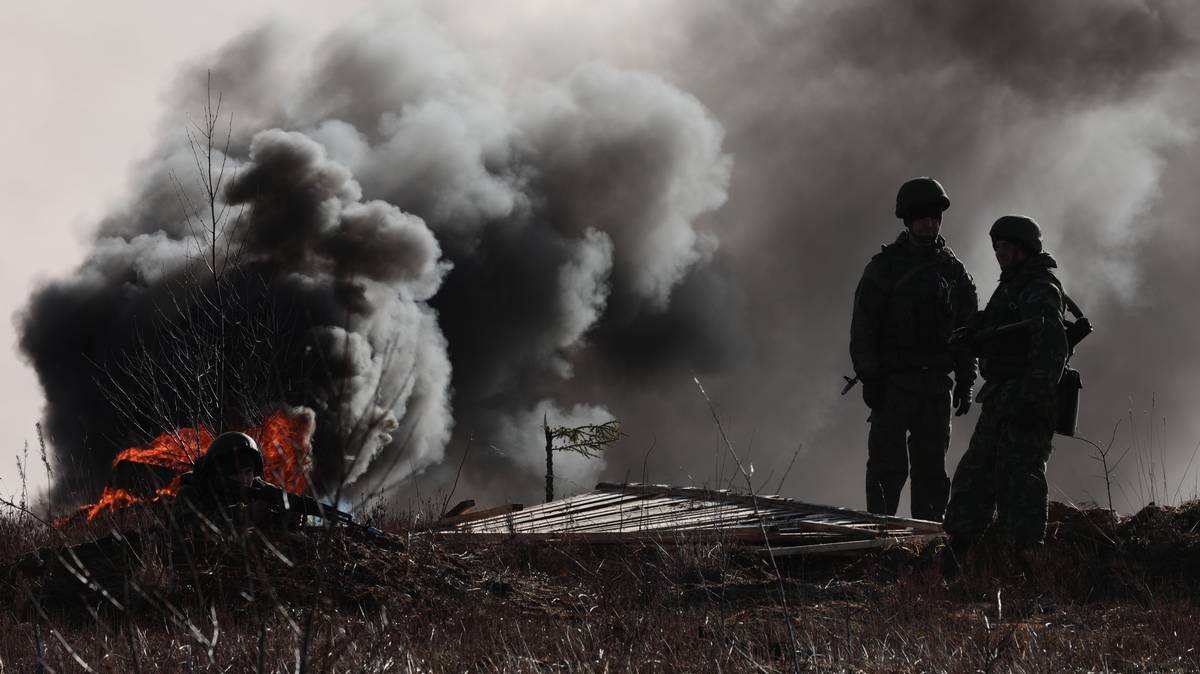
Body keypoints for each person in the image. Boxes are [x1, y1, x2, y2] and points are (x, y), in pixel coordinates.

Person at [849, 177, 978, 521]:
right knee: (886, 469)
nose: (929, 224)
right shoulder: (885, 267)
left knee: (932, 471)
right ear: (907, 220)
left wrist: (966, 380)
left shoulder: (953, 271)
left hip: (936, 385)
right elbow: (864, 326)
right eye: (921, 217)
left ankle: (927, 547)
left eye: (934, 217)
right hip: (894, 383)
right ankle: (880, 538)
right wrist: (871, 376)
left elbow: (967, 331)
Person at [943, 215, 1069, 563]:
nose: (998, 253)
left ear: (1023, 248)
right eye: (996, 247)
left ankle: (1027, 564)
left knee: (1021, 483)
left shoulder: (1039, 287)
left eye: (1005, 247)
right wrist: (977, 334)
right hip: (1001, 397)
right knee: (974, 478)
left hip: (1026, 400)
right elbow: (1006, 334)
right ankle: (955, 556)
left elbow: (1051, 348)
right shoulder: (1012, 286)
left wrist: (1032, 398)